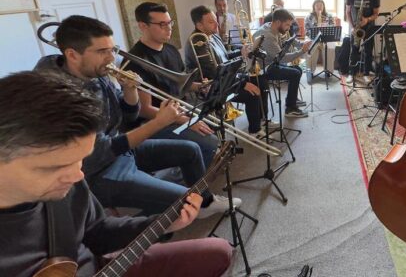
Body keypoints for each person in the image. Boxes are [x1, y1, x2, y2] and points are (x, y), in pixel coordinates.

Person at [0, 71, 233, 277]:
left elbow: (99, 233)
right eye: (57, 166)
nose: (78, 176)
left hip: (97, 266)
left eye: (80, 159)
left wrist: (164, 224)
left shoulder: (69, 184)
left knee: (217, 252)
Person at [35, 15, 231, 217]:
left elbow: (128, 116)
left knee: (190, 150)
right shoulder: (61, 95)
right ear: (72, 55)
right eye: (102, 51)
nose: (111, 58)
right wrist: (159, 122)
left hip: (119, 153)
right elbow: (101, 150)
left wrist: (130, 91)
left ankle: (204, 203)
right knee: (184, 199)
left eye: (112, 49)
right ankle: (142, 231)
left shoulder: (92, 73)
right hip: (97, 172)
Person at [125, 2, 219, 168]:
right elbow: (145, 109)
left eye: (170, 23)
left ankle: (195, 167)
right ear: (142, 26)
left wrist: (199, 86)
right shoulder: (135, 61)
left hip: (178, 108)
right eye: (162, 24)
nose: (169, 28)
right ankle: (191, 186)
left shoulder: (171, 49)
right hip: (157, 121)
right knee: (209, 141)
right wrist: (184, 119)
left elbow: (181, 84)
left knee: (215, 121)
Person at [184, 5, 272, 137]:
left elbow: (225, 55)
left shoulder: (213, 36)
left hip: (227, 77)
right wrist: (242, 84)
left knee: (261, 80)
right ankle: (255, 131)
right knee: (252, 93)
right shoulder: (198, 43)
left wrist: (241, 52)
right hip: (214, 85)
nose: (216, 24)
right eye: (211, 22)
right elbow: (214, 72)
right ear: (200, 26)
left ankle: (261, 120)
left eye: (215, 20)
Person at [254, 9, 311, 118]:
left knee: (297, 70)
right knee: (295, 73)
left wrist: (302, 44)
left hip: (272, 61)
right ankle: (290, 109)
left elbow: (289, 40)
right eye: (287, 25)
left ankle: (291, 100)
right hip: (264, 68)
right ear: (279, 22)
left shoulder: (272, 26)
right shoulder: (268, 36)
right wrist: (301, 51)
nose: (289, 28)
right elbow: (282, 58)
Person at [344, 0, 380, 83]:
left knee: (368, 51)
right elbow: (348, 12)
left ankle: (366, 73)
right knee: (353, 50)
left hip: (369, 26)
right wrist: (352, 27)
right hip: (356, 27)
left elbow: (376, 14)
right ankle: (351, 73)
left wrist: (367, 20)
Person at [305, 0, 336, 73]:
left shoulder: (329, 16)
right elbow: (307, 31)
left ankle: (328, 71)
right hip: (313, 38)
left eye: (321, 5)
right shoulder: (309, 17)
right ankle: (310, 71)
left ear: (324, 6)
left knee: (330, 48)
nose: (319, 7)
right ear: (314, 7)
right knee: (310, 48)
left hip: (326, 38)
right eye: (317, 5)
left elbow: (333, 27)